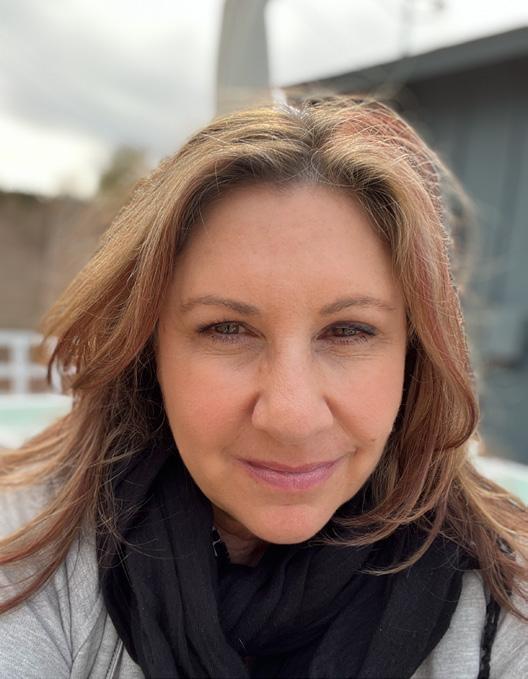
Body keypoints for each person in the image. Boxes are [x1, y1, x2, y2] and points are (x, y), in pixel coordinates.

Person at [0, 96, 527, 679]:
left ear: (414, 353)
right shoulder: (22, 550)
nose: (292, 416)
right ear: (149, 349)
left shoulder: (507, 600)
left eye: (348, 331)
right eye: (227, 329)